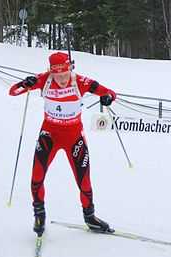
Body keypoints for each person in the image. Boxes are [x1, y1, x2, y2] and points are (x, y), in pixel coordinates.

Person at [9, 52, 116, 236]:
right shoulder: (44, 80)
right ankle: (39, 215)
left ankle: (90, 217)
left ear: (70, 69)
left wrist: (107, 98)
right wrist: (24, 83)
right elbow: (13, 91)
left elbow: (110, 93)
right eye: (57, 75)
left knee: (84, 180)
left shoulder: (80, 82)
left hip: (73, 137)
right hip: (49, 135)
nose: (62, 79)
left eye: (65, 74)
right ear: (50, 72)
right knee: (36, 177)